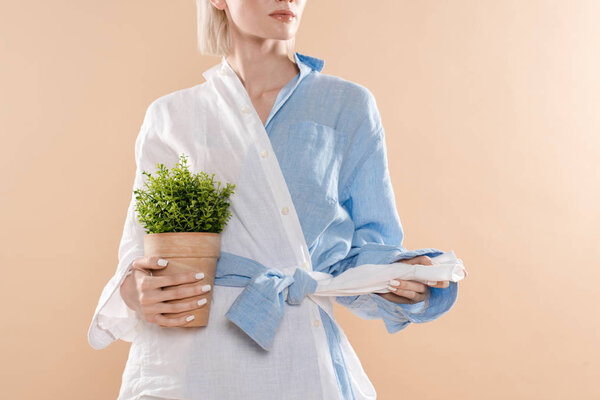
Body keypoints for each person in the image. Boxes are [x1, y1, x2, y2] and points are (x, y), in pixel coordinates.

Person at [88, 0, 462, 399]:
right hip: (187, 366)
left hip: (298, 359)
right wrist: (136, 291)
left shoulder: (347, 106)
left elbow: (364, 253)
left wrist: (398, 276)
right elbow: (140, 251)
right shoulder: (172, 116)